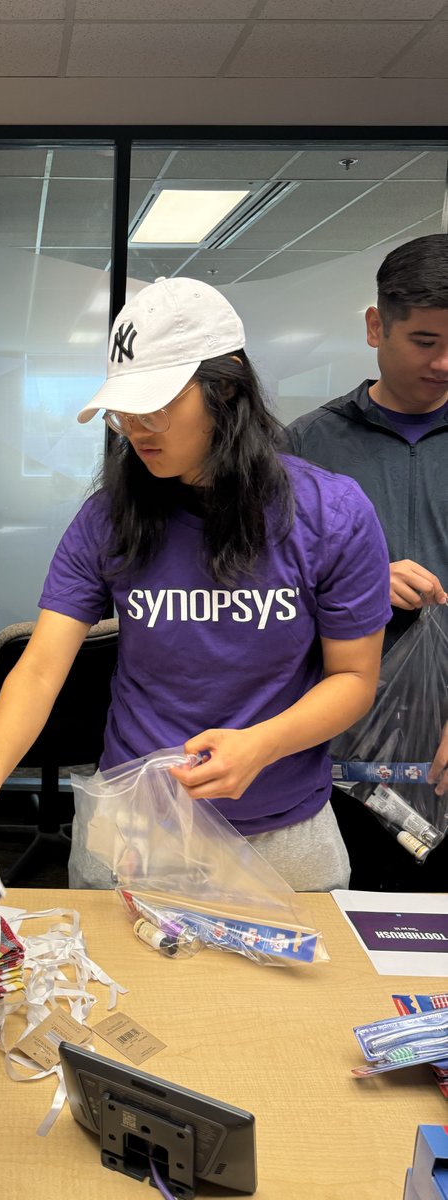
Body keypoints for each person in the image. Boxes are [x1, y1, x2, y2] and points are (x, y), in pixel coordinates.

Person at [0, 277, 392, 892]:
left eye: (158, 404)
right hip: (135, 830)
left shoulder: (330, 514)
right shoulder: (109, 519)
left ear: (226, 387)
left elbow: (353, 679)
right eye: (123, 410)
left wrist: (261, 746)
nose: (136, 427)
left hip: (282, 832)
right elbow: (41, 667)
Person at [285, 233, 448, 890]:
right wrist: (360, 581)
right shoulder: (304, 448)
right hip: (338, 750)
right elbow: (261, 596)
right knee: (350, 938)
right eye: (426, 341)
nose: (444, 362)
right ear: (377, 327)